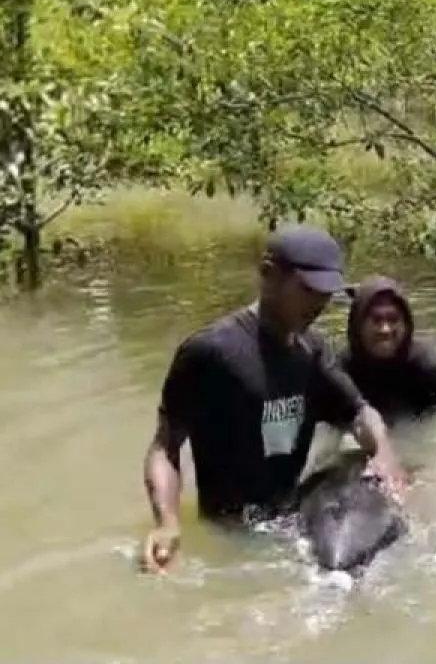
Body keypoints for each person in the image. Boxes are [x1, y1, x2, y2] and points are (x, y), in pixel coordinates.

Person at [140, 224, 408, 574]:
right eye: (307, 290)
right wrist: (167, 523)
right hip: (229, 534)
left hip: (289, 525)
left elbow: (359, 414)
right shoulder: (211, 352)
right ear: (268, 275)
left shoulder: (313, 352)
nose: (319, 304)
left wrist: (385, 455)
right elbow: (165, 447)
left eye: (326, 293)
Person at [339, 275, 436, 425]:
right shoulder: (338, 372)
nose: (385, 330)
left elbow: (431, 426)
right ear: (358, 327)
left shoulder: (429, 370)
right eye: (376, 320)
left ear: (406, 326)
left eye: (393, 319)